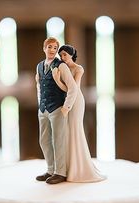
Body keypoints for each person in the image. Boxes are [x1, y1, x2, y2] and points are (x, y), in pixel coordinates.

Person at [52, 44, 106, 182]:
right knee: (66, 131)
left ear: (71, 55)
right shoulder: (62, 67)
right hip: (65, 100)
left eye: (65, 54)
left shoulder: (78, 69)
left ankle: (79, 167)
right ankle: (67, 166)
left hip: (75, 101)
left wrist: (58, 80)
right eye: (61, 55)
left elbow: (73, 89)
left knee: (75, 130)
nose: (62, 57)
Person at [35, 38, 78, 184]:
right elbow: (39, 86)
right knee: (44, 140)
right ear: (44, 48)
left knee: (58, 140)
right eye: (50, 47)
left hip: (57, 108)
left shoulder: (61, 66)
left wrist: (66, 107)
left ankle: (60, 172)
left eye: (55, 47)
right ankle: (50, 169)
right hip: (43, 109)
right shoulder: (40, 66)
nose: (52, 50)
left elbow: (73, 88)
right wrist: (40, 103)